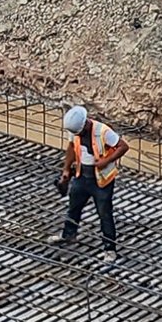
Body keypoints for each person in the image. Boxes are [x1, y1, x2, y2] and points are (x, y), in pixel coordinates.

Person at [54, 103, 126, 259]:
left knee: (104, 214)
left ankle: (110, 249)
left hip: (101, 181)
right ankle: (68, 235)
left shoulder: (103, 131)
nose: (77, 135)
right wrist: (66, 169)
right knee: (74, 207)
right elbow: (72, 148)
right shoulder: (75, 131)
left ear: (85, 124)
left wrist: (106, 160)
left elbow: (123, 146)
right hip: (82, 176)